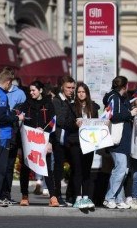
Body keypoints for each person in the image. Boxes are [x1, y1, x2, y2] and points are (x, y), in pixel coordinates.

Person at [0, 68, 24, 206]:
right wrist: (16, 117)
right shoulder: (1, 95)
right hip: (2, 134)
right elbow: (1, 116)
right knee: (0, 167)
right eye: (10, 84)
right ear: (7, 82)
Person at [18, 80, 59, 207]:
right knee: (25, 168)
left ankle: (53, 197)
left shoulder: (48, 104)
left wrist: (50, 141)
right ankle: (24, 196)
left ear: (40, 90)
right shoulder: (26, 104)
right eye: (30, 90)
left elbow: (53, 123)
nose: (31, 93)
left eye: (33, 90)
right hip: (28, 142)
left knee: (46, 169)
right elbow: (21, 122)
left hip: (43, 141)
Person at [102, 76, 137, 209]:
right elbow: (114, 115)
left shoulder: (120, 98)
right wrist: (130, 114)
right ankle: (109, 197)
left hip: (123, 140)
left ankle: (118, 198)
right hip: (118, 141)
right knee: (120, 169)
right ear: (125, 86)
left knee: (122, 170)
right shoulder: (114, 98)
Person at [70, 82, 100, 209]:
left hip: (89, 142)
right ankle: (77, 197)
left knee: (87, 170)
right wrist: (74, 124)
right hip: (76, 142)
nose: (81, 94)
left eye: (83, 92)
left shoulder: (93, 107)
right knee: (77, 171)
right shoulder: (72, 107)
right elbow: (66, 123)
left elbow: (97, 123)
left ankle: (86, 197)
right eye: (79, 92)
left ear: (87, 93)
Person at [52, 75, 76, 207]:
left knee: (75, 167)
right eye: (68, 87)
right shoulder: (57, 101)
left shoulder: (72, 100)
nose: (71, 90)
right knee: (58, 169)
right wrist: (74, 122)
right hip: (59, 139)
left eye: (73, 88)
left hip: (71, 140)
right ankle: (57, 195)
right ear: (62, 87)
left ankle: (70, 195)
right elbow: (60, 120)